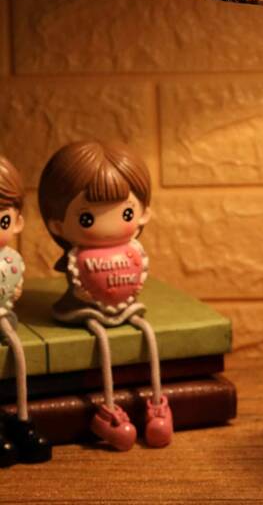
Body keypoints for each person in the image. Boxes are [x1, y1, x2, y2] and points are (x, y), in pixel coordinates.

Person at [38, 141, 173, 450]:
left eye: (126, 212)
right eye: (87, 219)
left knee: (147, 334)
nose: (110, 228)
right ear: (57, 224)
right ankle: (108, 412)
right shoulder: (78, 260)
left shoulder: (133, 253)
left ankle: (157, 404)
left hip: (127, 306)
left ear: (143, 213)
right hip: (82, 310)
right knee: (100, 338)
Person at [0, 156, 52, 465]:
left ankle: (22, 421)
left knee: (18, 355)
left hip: (5, 317)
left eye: (2, 221)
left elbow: (14, 286)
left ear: (17, 221)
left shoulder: (12, 259)